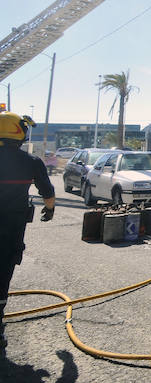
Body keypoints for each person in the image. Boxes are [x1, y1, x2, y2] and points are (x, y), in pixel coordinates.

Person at [0, 112, 55, 354]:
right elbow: (48, 192)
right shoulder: (31, 162)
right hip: (10, 230)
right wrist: (49, 210)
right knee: (2, 273)